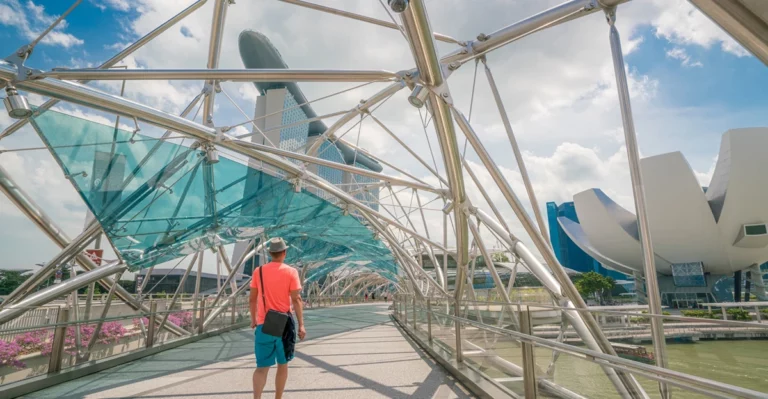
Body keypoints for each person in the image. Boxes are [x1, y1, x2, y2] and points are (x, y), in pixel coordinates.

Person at [250, 237, 306, 399]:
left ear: (270, 253)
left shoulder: (258, 271)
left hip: (264, 325)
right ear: (284, 253)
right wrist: (301, 325)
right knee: (282, 364)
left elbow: (252, 298)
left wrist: (253, 319)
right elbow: (296, 299)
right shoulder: (291, 272)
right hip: (283, 327)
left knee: (261, 367)